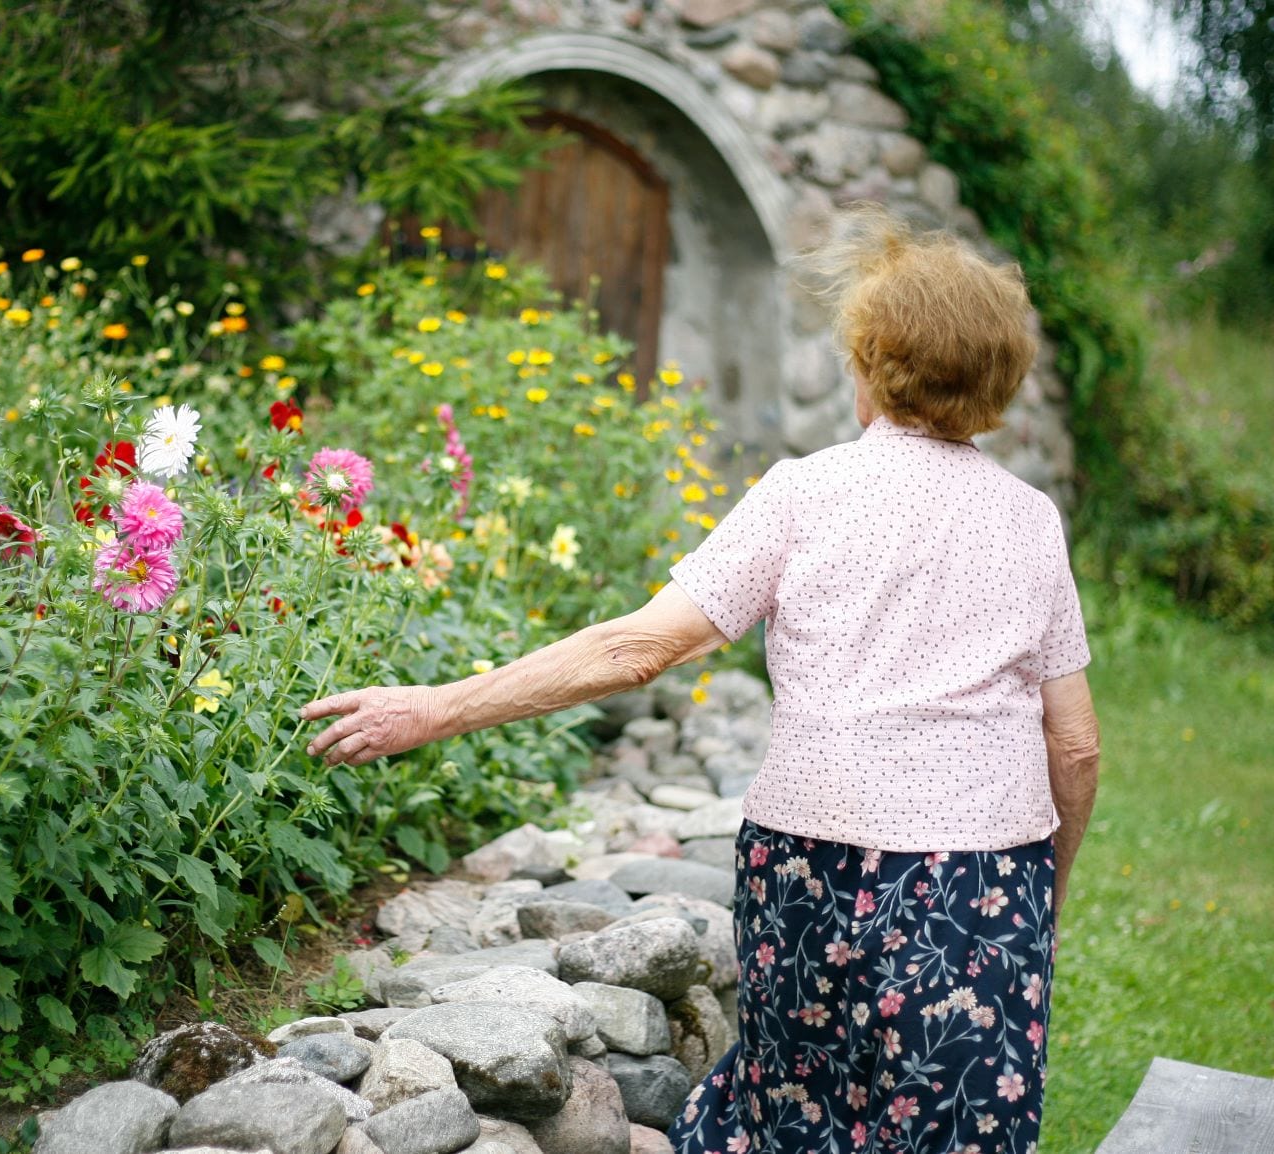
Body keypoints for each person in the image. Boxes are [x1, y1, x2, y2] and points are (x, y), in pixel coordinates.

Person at [302, 205, 1101, 1154]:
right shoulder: (1031, 520)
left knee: (797, 1120)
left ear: (873, 362)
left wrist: (433, 706)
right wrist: (1036, 896)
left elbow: (635, 648)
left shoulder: (804, 494)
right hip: (981, 881)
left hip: (814, 871)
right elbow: (1077, 744)